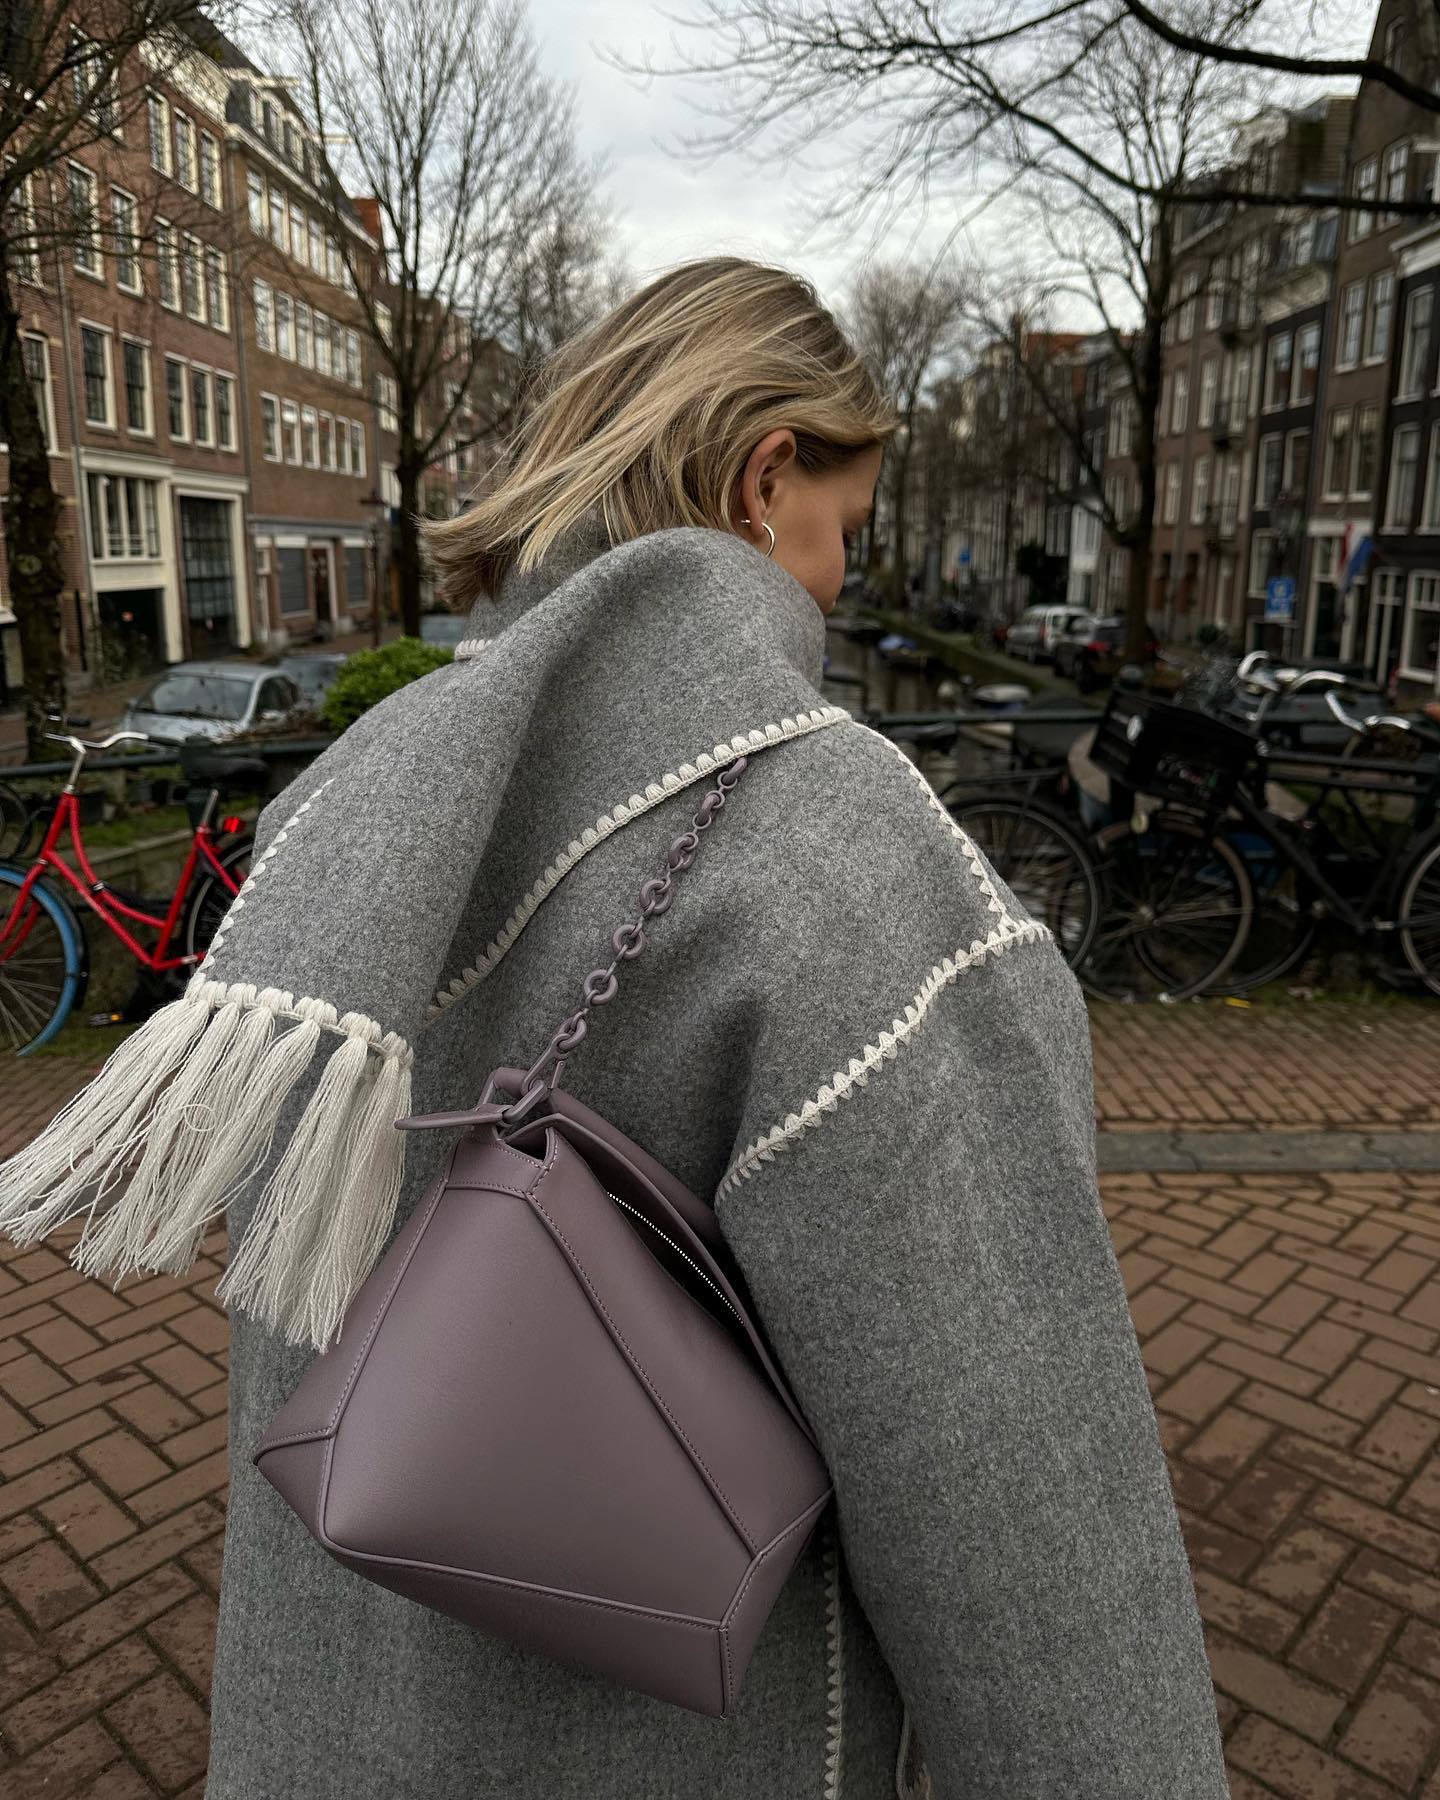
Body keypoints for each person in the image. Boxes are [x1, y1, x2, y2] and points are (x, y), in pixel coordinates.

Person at [0, 257, 1228, 1799]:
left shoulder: (351, 799)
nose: (841, 578)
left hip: (323, 1733)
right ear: (763, 478)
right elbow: (1028, 1547)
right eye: (845, 524)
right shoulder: (849, 866)